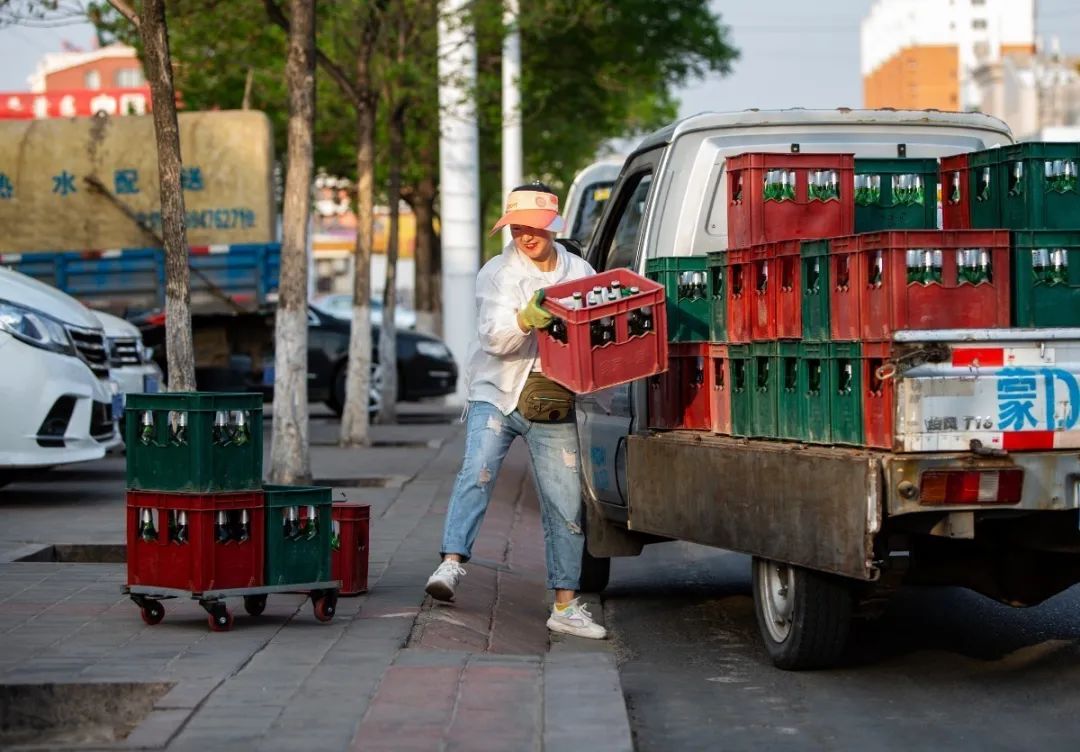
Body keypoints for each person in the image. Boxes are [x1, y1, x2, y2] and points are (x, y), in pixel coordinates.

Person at [424, 182, 606, 640]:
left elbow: (596, 333)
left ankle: (565, 606)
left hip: (552, 400)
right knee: (477, 473)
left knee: (565, 502)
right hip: (497, 393)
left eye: (535, 227)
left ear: (552, 226)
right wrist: (526, 319)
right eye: (518, 227)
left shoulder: (579, 270)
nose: (526, 236)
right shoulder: (496, 273)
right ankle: (450, 563)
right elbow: (494, 340)